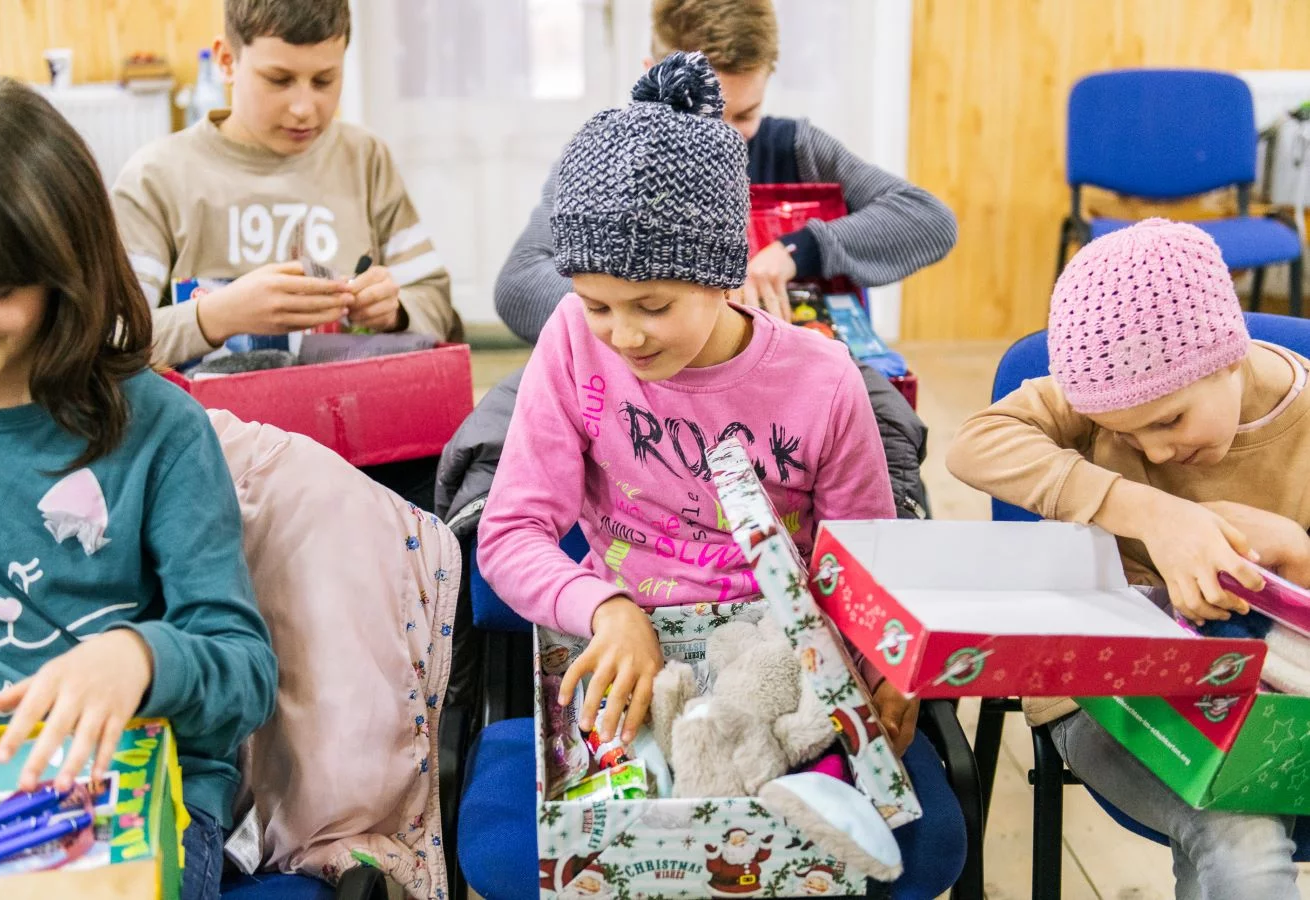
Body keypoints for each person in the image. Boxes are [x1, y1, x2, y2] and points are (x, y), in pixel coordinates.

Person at [478, 53, 964, 900]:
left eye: (653, 306)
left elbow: (870, 564)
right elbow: (510, 534)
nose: (623, 336)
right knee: (642, 841)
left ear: (722, 272)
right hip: (632, 655)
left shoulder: (823, 381)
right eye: (597, 304)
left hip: (785, 656)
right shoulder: (569, 342)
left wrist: (884, 667)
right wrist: (605, 607)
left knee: (802, 834)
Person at [0, 77, 278, 900]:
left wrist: (139, 656)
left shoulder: (161, 430)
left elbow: (245, 673)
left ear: (62, 269)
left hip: (142, 787)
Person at [948, 218, 1310, 900]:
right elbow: (975, 445)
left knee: (1238, 824)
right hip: (1102, 689)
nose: (1158, 451)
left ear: (1229, 354)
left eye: (1170, 421)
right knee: (1239, 834)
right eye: (1129, 436)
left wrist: (1297, 553)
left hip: (1278, 696)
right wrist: (1149, 512)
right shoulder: (1108, 391)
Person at [494, 0, 957, 342]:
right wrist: (646, 311)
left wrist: (797, 250)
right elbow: (520, 284)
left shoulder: (798, 149)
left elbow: (927, 219)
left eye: (745, 114)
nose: (728, 139)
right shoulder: (606, 159)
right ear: (653, 75)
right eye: (706, 115)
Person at [112, 0, 461, 371]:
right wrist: (213, 316)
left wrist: (397, 311)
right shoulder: (156, 177)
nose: (303, 109)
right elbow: (110, 336)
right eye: (279, 80)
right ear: (227, 61)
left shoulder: (365, 158)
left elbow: (436, 304)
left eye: (324, 81)